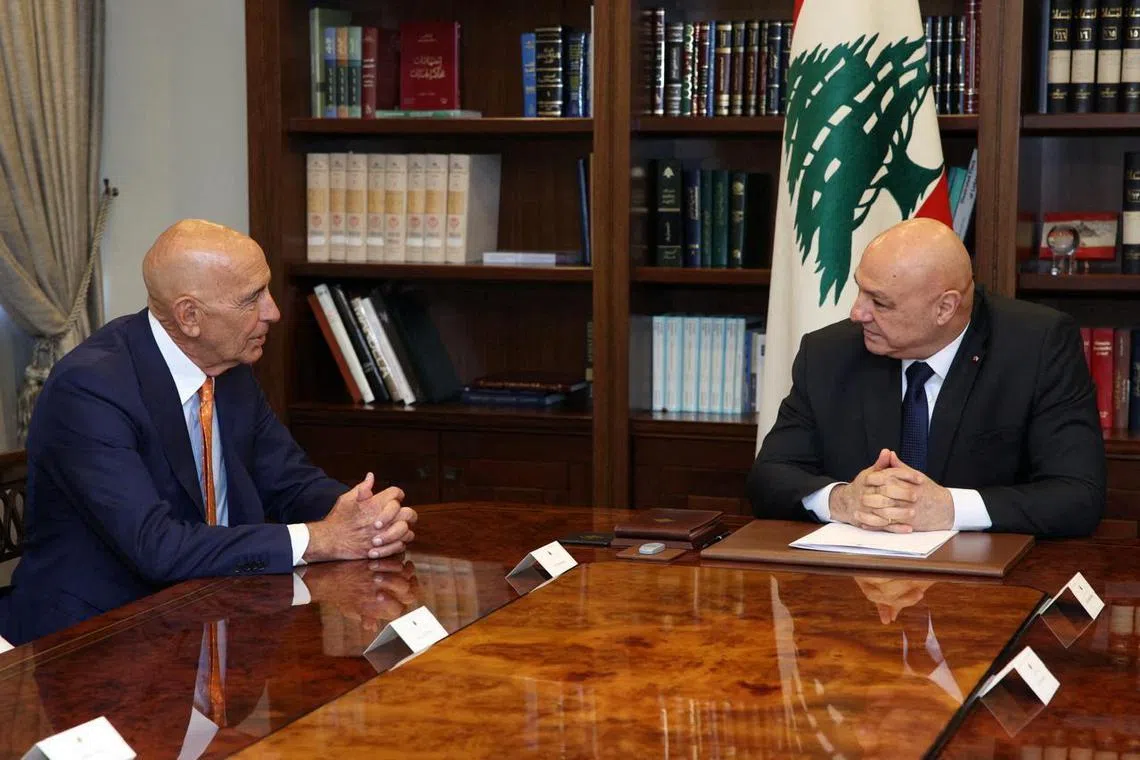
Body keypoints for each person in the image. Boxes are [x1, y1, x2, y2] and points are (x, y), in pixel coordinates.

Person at [0, 219, 418, 645]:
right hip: (99, 637)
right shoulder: (90, 389)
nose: (273, 311)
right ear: (190, 317)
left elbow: (290, 480)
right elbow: (157, 548)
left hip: (216, 613)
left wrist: (364, 517)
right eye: (252, 298)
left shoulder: (228, 365)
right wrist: (319, 539)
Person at [748, 218, 1105, 537]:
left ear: (944, 307)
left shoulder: (1037, 345)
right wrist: (843, 500)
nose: (857, 313)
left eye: (880, 302)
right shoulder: (829, 352)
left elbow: (1077, 496)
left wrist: (949, 508)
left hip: (984, 588)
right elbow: (770, 477)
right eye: (860, 289)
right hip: (855, 583)